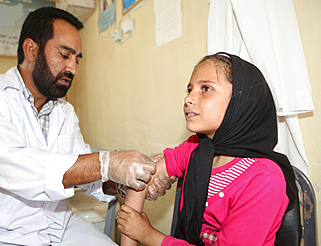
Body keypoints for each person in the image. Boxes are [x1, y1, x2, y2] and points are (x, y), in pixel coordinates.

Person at [0, 7, 157, 246]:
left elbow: (84, 175)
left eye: (77, 59)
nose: (73, 69)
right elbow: (14, 166)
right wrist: (108, 162)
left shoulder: (64, 111)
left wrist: (126, 181)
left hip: (57, 225)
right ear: (31, 49)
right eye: (64, 55)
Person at [117, 53, 298, 245]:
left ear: (241, 100)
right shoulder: (195, 148)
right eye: (189, 90)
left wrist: (148, 235)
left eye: (205, 88)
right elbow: (140, 178)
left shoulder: (263, 179)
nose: (188, 99)